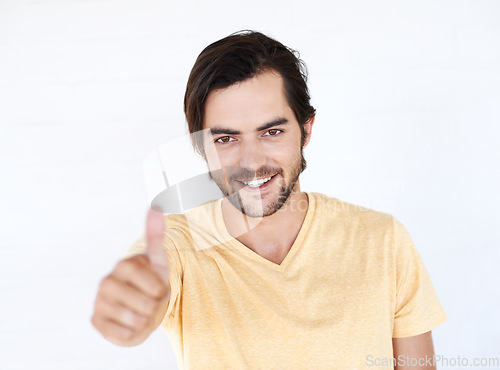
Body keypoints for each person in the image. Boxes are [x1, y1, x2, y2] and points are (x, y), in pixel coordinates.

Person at [92, 31, 447, 369]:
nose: (251, 161)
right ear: (201, 146)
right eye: (227, 139)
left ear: (306, 130)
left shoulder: (383, 239)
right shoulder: (177, 247)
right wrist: (127, 312)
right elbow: (144, 291)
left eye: (272, 132)